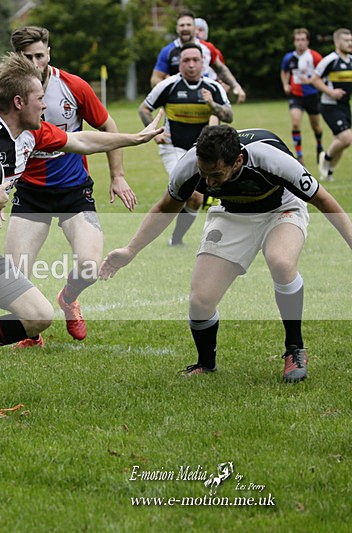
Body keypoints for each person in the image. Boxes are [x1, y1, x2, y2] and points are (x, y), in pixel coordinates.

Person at [0, 52, 164, 418]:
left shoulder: (31, 134)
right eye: (39, 99)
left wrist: (132, 138)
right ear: (19, 102)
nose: (44, 104)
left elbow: (80, 141)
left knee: (38, 316)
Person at [100, 125, 352, 381]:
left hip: (281, 208)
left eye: (216, 174)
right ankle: (205, 363)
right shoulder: (188, 166)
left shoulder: (271, 159)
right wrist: (130, 250)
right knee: (200, 300)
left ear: (238, 160)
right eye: (204, 173)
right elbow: (166, 208)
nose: (208, 182)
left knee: (281, 262)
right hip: (233, 213)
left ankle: (294, 349)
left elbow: (324, 201)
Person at [3, 25, 136, 348]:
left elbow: (107, 126)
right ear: (17, 59)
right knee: (12, 277)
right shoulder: (9, 94)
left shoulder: (73, 87)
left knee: (89, 266)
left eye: (40, 55)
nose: (36, 62)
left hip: (74, 192)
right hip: (31, 195)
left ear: (49, 53)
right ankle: (32, 333)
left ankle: (68, 297)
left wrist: (117, 175)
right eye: (27, 57)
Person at [139, 42, 233, 247]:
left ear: (203, 63)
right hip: (173, 147)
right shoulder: (168, 85)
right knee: (193, 193)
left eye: (195, 60)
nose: (191, 65)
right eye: (186, 60)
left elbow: (229, 116)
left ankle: (177, 238)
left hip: (202, 151)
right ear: (180, 64)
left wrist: (211, 104)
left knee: (195, 199)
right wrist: (153, 132)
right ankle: (161, 232)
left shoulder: (213, 88)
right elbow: (144, 109)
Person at [151, 10, 246, 104]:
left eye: (189, 25)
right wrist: (169, 89)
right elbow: (155, 79)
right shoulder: (167, 51)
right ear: (177, 28)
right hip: (179, 101)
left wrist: (236, 86)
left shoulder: (208, 48)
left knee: (216, 117)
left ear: (194, 28)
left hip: (206, 99)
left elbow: (221, 69)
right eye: (182, 25)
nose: (185, 28)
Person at [313, 28, 352, 182]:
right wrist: (330, 92)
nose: (350, 43)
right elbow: (315, 79)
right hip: (329, 105)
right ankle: (326, 158)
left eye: (351, 40)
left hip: (344, 106)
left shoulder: (351, 60)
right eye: (346, 40)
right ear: (337, 42)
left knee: (343, 141)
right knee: (346, 138)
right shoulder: (330, 60)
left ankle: (328, 172)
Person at [281, 28, 325, 165]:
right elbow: (284, 71)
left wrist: (312, 80)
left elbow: (324, 72)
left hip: (312, 95)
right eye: (297, 40)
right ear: (294, 42)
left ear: (307, 41)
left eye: (302, 40)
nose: (300, 43)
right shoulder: (289, 57)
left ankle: (319, 146)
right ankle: (299, 156)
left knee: (316, 127)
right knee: (295, 124)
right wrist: (285, 85)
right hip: (296, 96)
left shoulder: (315, 56)